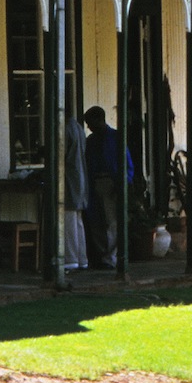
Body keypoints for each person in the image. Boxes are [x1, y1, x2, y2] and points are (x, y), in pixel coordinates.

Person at [82, 105, 133, 269]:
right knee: (96, 221)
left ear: (99, 120)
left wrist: (124, 182)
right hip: (94, 182)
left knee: (111, 222)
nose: (89, 126)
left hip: (111, 182)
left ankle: (111, 257)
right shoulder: (90, 141)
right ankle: (102, 255)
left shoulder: (116, 137)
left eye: (90, 123)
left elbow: (126, 162)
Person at [63, 112, 88, 270]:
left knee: (69, 222)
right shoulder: (78, 128)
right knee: (78, 222)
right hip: (80, 178)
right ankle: (81, 258)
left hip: (69, 179)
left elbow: (61, 154)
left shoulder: (66, 129)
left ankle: (70, 258)